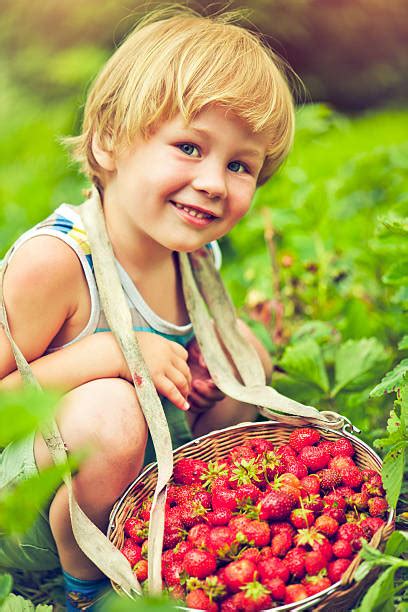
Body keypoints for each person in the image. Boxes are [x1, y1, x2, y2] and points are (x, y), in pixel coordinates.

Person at [0, 6, 294, 609]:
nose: (215, 182)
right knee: (109, 405)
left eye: (240, 165)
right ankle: (88, 589)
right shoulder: (56, 264)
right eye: (189, 146)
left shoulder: (195, 255)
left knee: (244, 358)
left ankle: (210, 532)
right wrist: (111, 352)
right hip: (27, 510)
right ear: (109, 143)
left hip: (141, 480)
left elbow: (218, 357)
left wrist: (211, 362)